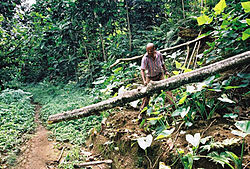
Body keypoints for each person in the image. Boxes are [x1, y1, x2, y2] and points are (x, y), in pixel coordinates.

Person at [139, 43, 174, 119]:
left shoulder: (159, 54)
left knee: (167, 91)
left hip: (160, 75)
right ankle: (142, 113)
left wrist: (166, 71)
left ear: (154, 49)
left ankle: (175, 109)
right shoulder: (145, 58)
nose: (149, 52)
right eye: (147, 51)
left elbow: (163, 63)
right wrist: (144, 81)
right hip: (150, 77)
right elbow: (142, 70)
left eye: (150, 51)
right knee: (147, 95)